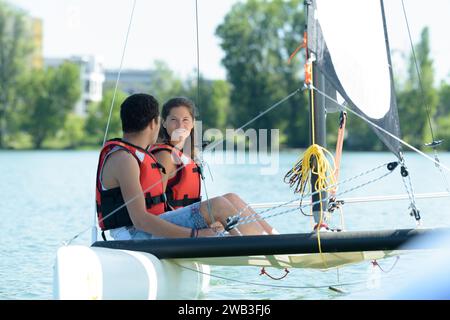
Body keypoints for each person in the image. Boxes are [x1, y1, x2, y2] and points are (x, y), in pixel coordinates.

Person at [95, 93, 270, 241]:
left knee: (230, 199)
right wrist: (196, 235)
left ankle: (272, 239)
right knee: (218, 206)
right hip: (134, 235)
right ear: (155, 123)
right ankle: (261, 248)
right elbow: (140, 220)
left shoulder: (134, 155)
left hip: (149, 227)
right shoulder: (124, 159)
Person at [149, 96, 277, 236]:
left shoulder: (185, 154)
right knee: (220, 204)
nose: (180, 126)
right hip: (170, 224)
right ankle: (259, 247)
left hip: (187, 218)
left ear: (192, 124)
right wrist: (195, 232)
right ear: (164, 123)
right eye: (174, 120)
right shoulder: (164, 155)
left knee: (231, 198)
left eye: (185, 120)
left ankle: (275, 239)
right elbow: (156, 207)